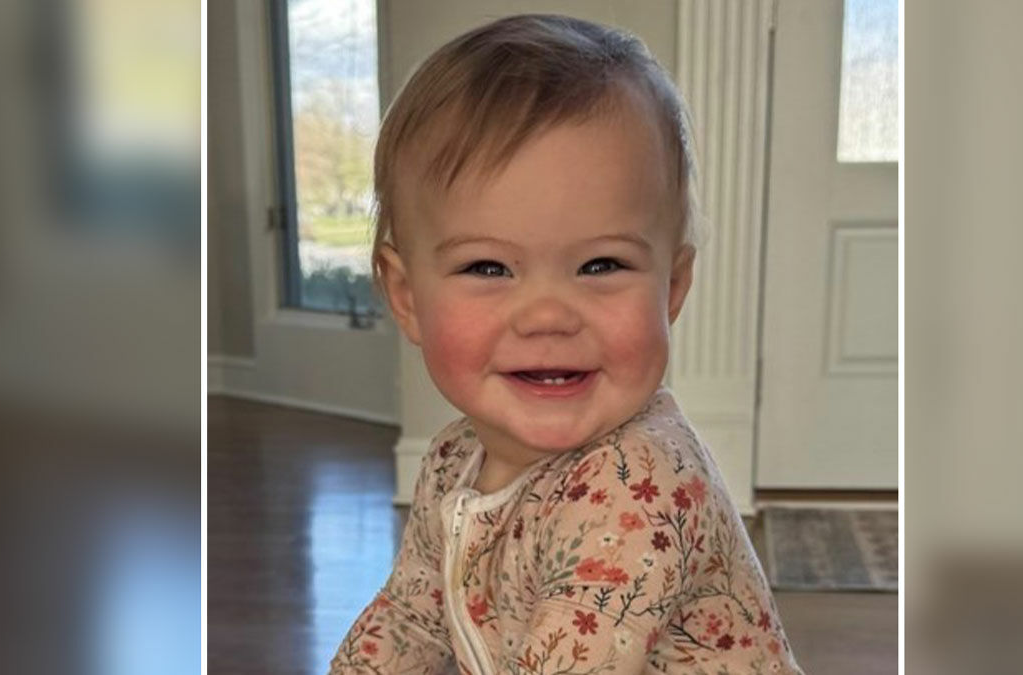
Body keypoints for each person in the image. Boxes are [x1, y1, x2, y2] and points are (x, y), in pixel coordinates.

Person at [329, 14, 802, 674]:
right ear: (407, 297)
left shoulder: (638, 489)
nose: (548, 315)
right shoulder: (452, 459)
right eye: (488, 268)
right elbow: (411, 617)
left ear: (672, 286)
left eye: (601, 265)